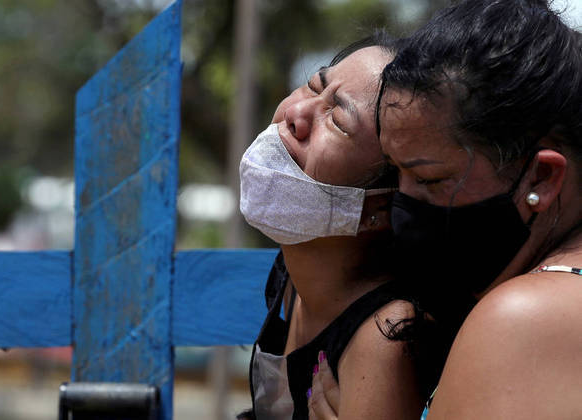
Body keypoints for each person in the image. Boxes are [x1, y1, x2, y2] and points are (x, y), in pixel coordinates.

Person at [308, 1, 582, 418]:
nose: (402, 208)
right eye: (394, 173)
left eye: (430, 180)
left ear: (542, 177)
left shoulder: (520, 319)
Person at [238, 33, 471, 420]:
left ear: (380, 206)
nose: (297, 113)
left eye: (339, 120)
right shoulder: (294, 269)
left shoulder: (386, 338)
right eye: (314, 86)